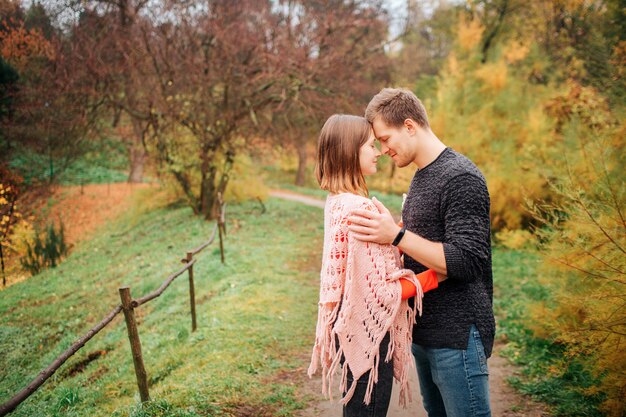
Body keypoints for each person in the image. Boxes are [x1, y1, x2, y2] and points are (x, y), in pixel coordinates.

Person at [348, 88, 495, 417]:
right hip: (425, 334)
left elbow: (468, 260)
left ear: (410, 126)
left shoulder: (461, 177)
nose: (383, 149)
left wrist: (397, 235)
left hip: (457, 335)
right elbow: (420, 248)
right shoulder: (422, 177)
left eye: (385, 139)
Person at [307, 114, 444, 417]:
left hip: (349, 324)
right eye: (370, 145)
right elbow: (380, 292)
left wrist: (395, 234)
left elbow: (361, 264)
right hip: (370, 330)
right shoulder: (359, 207)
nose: (378, 151)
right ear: (349, 152)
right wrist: (434, 277)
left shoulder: (337, 201)